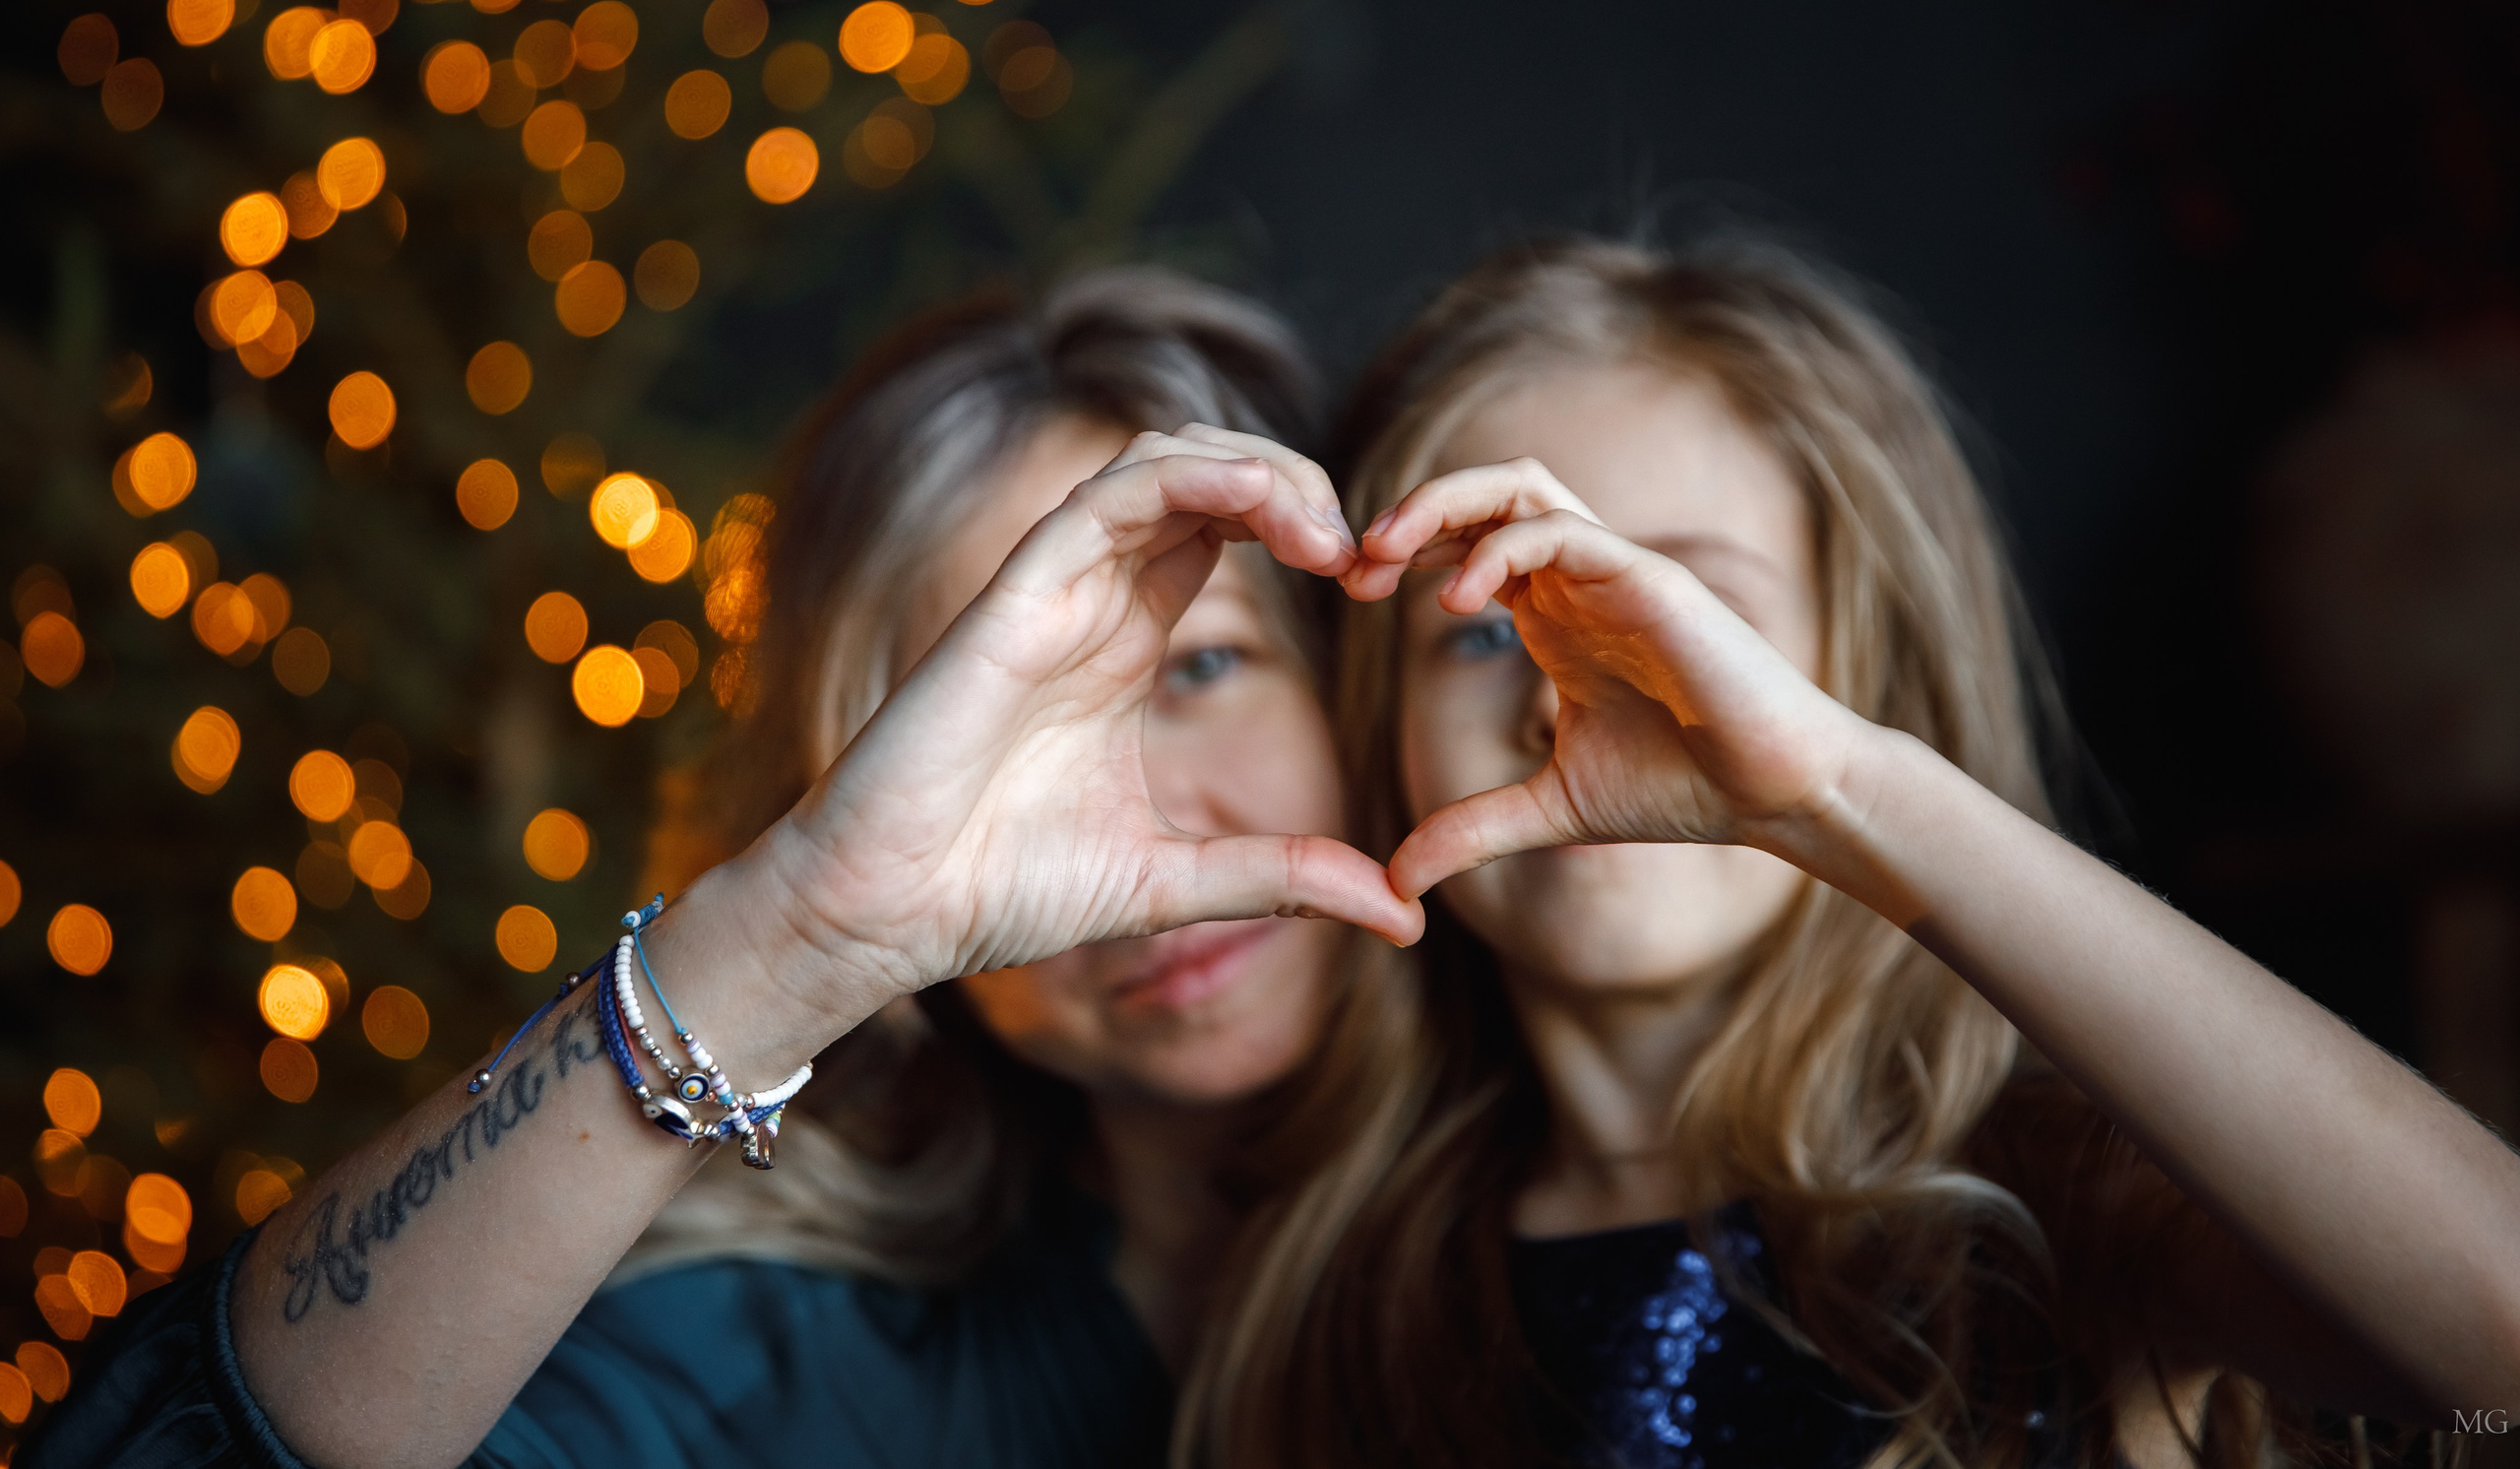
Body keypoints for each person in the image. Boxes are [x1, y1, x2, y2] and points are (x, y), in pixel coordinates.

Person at [29, 271, 1420, 1469]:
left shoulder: (1553, 1206)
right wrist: (795, 939)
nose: (1143, 821)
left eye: (1203, 667)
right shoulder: (780, 1365)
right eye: (998, 743)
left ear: (1349, 667)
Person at [1179, 237, 2520, 1468]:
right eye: (1483, 626)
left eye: (1687, 611)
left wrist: (1839, 791)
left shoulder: (2065, 1194)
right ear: (1379, 718)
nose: (1574, 700)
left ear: (1870, 669)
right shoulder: (1324, 1289)